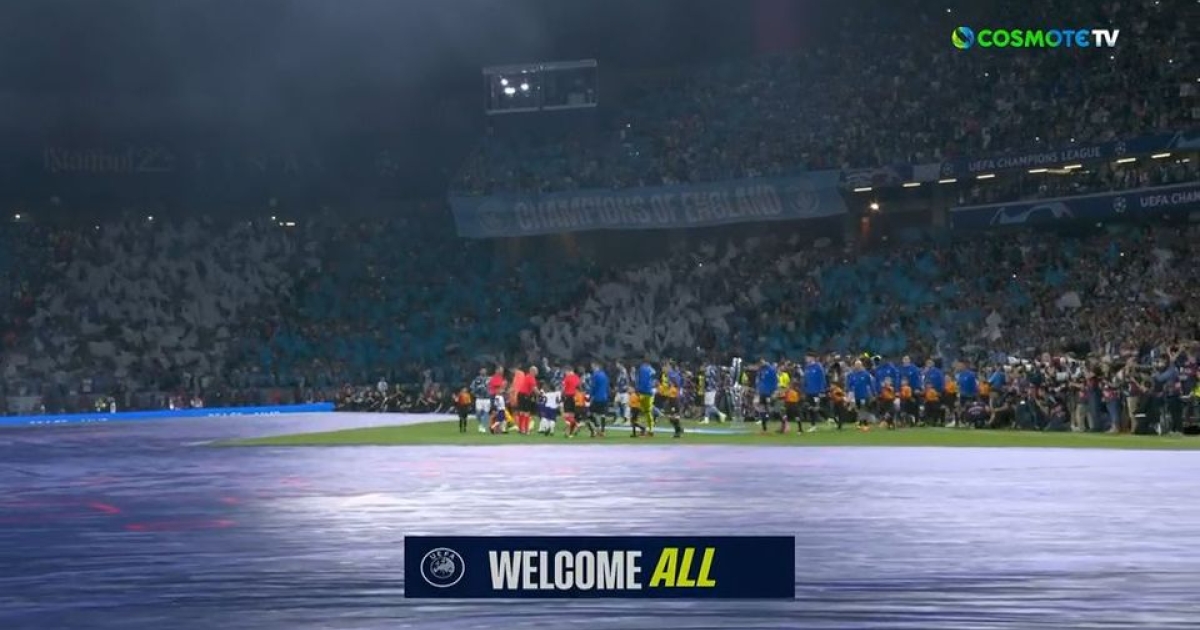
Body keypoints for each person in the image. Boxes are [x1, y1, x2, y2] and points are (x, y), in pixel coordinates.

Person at [636, 359, 657, 436]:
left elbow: (638, 380)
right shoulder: (652, 370)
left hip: (642, 393)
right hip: (650, 392)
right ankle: (651, 430)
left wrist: (637, 389)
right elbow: (654, 381)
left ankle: (643, 429)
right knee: (648, 412)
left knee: (641, 411)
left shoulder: (641, 369)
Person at [590, 362, 611, 436]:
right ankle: (603, 431)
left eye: (592, 367)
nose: (592, 368)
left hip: (597, 397)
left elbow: (593, 387)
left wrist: (591, 395)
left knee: (591, 413)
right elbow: (607, 387)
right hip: (604, 397)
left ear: (596, 366)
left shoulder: (595, 375)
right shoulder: (605, 375)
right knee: (603, 414)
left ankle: (597, 429)